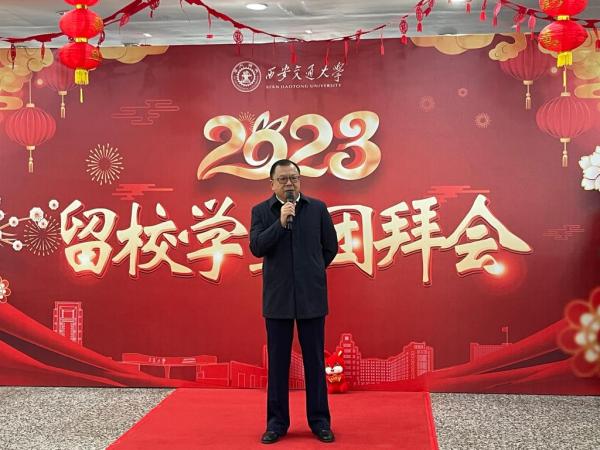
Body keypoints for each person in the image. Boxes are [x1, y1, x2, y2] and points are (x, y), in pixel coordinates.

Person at [249, 159, 338, 444]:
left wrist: (313, 270)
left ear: (300, 180)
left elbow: (330, 247)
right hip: (278, 299)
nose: (290, 184)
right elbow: (256, 247)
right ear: (272, 183)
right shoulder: (261, 212)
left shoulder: (317, 209)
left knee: (315, 362)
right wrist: (280, 223)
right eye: (283, 179)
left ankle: (320, 422)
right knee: (278, 365)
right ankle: (276, 424)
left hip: (312, 297)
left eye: (294, 178)